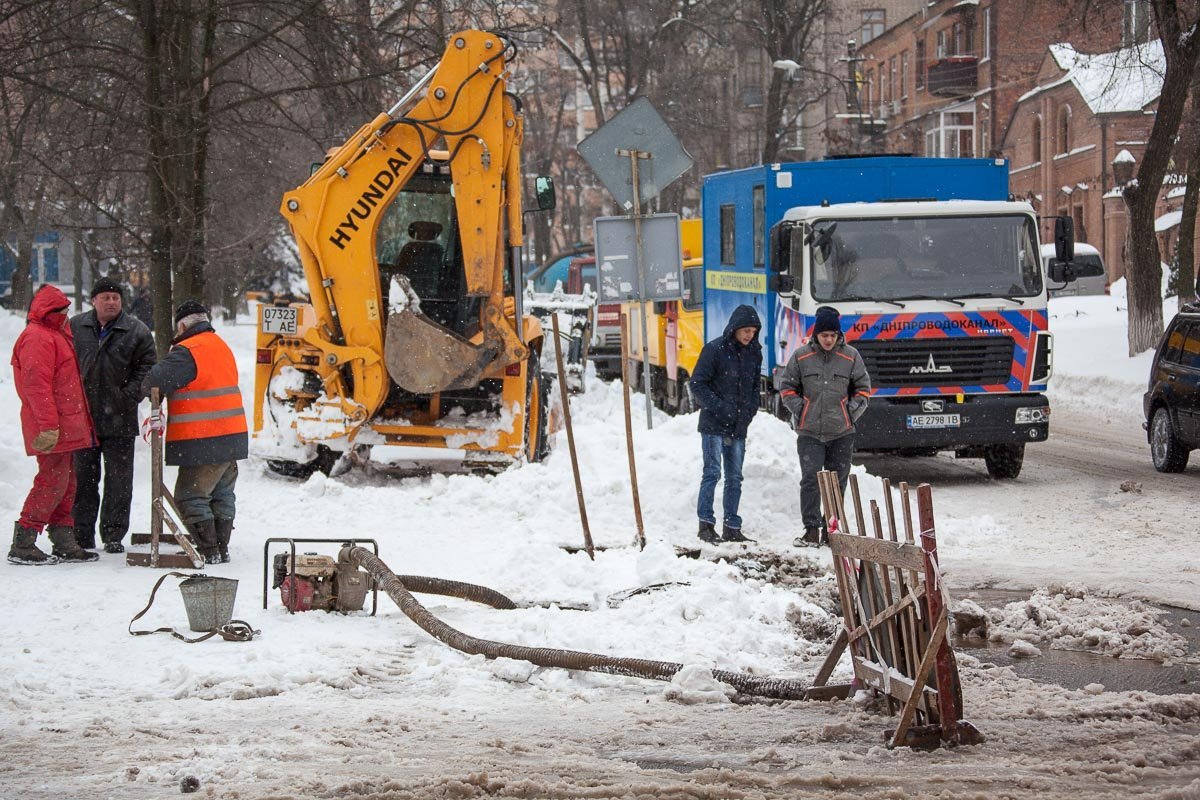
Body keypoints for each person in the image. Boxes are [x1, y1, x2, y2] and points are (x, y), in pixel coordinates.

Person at [142, 300, 248, 564]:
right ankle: (220, 547)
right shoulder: (220, 345)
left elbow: (153, 382)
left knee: (191, 496)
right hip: (232, 435)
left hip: (204, 438)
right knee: (221, 495)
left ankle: (208, 550)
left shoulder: (188, 350)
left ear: (181, 325)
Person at [9, 285, 100, 564]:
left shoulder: (53, 335)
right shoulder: (39, 338)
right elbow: (37, 387)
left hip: (63, 425)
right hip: (53, 426)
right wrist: (49, 426)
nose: (67, 315)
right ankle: (24, 540)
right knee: (52, 482)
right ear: (53, 312)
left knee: (66, 482)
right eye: (63, 310)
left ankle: (63, 539)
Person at [70, 277, 157, 553]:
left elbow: (148, 367)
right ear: (93, 301)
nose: (111, 302)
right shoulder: (75, 327)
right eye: (105, 297)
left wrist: (129, 394)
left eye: (115, 298)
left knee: (119, 481)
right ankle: (81, 534)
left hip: (120, 418)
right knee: (83, 480)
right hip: (84, 419)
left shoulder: (136, 330)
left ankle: (113, 534)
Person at [779, 306, 871, 547]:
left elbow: (863, 389)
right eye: (824, 335)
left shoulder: (851, 357)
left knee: (836, 481)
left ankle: (831, 529)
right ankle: (811, 529)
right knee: (810, 479)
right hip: (810, 432)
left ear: (838, 335)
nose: (828, 340)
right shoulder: (801, 357)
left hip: (842, 433)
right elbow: (787, 388)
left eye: (832, 335)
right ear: (816, 335)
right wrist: (803, 410)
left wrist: (848, 413)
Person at [687, 304, 762, 545]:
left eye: (753, 331)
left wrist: (749, 411)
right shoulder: (715, 350)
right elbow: (697, 383)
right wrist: (719, 407)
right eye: (746, 330)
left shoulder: (754, 353)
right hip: (713, 424)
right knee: (712, 473)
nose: (749, 335)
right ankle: (706, 525)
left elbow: (753, 388)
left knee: (735, 477)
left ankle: (731, 525)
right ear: (735, 328)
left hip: (738, 426)